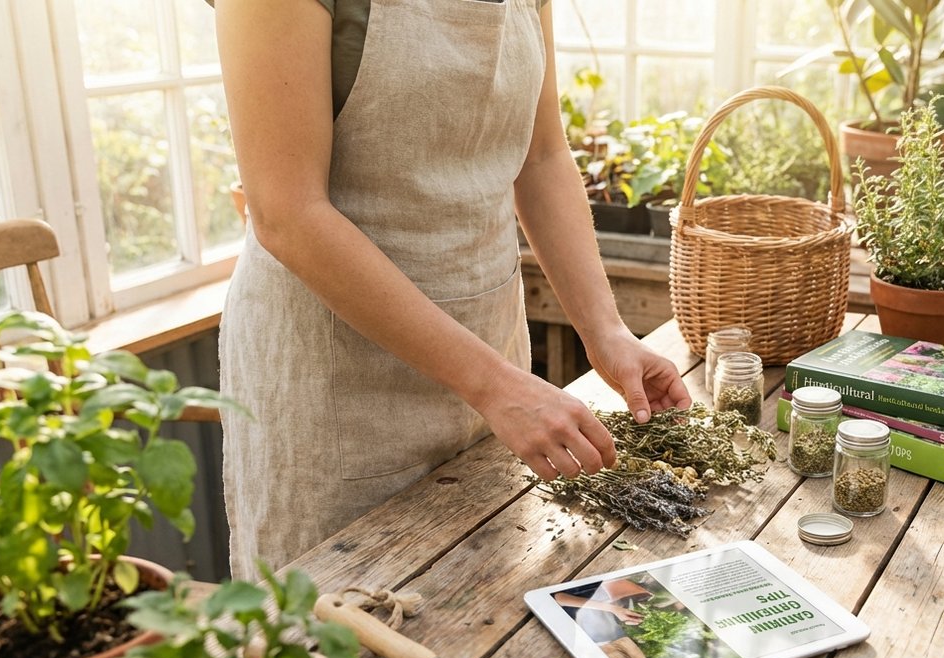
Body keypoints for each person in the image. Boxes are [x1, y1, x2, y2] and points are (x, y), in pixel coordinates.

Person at [211, 0, 691, 579]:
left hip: (493, 361)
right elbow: (288, 213)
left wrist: (606, 331)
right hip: (337, 387)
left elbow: (540, 157)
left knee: (485, 608)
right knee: (335, 633)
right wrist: (492, 383)